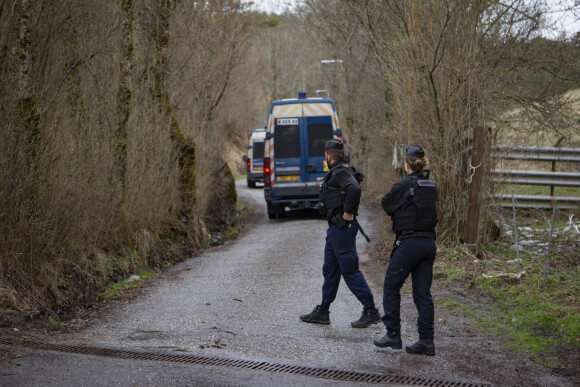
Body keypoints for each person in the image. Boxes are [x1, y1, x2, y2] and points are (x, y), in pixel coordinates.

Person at [300, 139, 381, 328]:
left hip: (342, 229)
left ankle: (371, 311)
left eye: (325, 156)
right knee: (330, 270)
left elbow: (354, 188)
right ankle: (323, 312)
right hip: (335, 230)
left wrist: (348, 213)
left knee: (350, 271)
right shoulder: (341, 170)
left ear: (328, 156)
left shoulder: (341, 171)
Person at [374, 144, 438, 355]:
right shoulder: (431, 185)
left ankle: (393, 334)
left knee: (391, 286)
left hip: (410, 243)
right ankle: (426, 341)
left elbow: (386, 203)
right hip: (429, 244)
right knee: (422, 294)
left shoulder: (405, 184)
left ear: (407, 164)